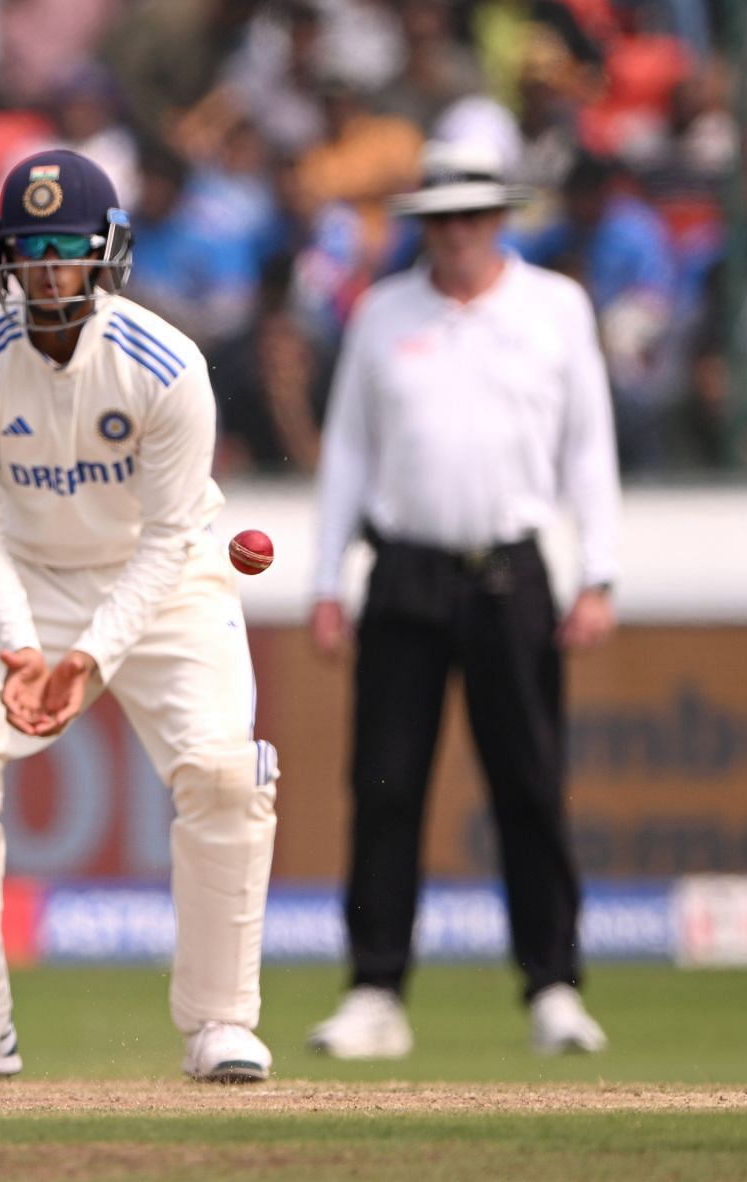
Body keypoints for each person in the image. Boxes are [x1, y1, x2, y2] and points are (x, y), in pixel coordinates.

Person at [0, 149, 280, 1084]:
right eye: (29, 253)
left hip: (166, 579)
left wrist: (89, 660)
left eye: (67, 252)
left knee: (226, 776)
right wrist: (25, 648)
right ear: (2, 260)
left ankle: (221, 1023)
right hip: (20, 578)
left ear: (109, 257)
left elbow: (170, 539)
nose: (47, 273)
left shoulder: (168, 366)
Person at [306, 140, 620, 1060]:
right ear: (424, 225)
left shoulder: (554, 309)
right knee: (384, 784)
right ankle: (375, 990)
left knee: (529, 783)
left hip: (512, 573)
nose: (458, 234)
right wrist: (329, 581)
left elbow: (589, 448)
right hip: (404, 569)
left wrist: (597, 572)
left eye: (475, 216)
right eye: (442, 218)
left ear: (503, 219)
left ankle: (554, 985)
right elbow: (350, 453)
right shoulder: (383, 312)